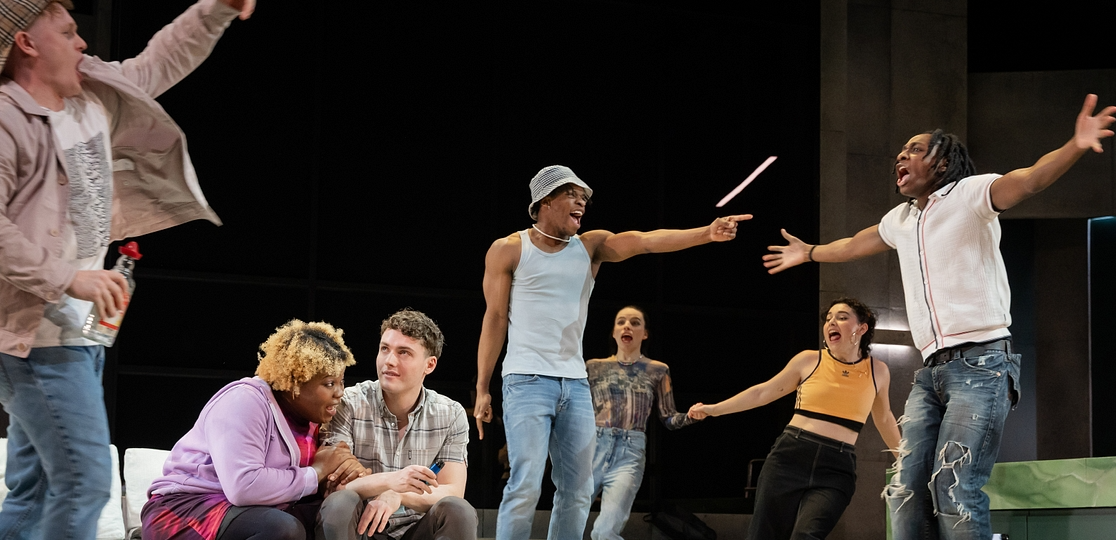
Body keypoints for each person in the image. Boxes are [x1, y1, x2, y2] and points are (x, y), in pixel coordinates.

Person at [761, 95, 1116, 540]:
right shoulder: (901, 219)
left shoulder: (970, 194)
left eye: (914, 149)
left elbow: (1028, 180)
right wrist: (810, 252)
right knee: (904, 492)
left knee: (954, 487)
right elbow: (853, 244)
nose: (901, 155)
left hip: (983, 364)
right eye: (901, 151)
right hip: (931, 371)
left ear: (943, 162)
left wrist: (1075, 145)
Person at [0, 1, 254, 538]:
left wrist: (216, 9)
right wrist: (69, 278)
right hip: (33, 338)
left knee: (36, 487)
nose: (82, 43)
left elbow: (159, 61)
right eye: (67, 32)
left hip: (79, 334)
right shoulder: (6, 120)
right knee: (84, 481)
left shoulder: (91, 96)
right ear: (27, 43)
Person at [473, 165, 752, 540]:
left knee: (578, 490)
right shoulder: (509, 249)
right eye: (572, 195)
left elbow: (645, 241)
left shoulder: (589, 247)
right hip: (526, 380)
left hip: (575, 385)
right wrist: (482, 388)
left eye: (584, 198)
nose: (581, 203)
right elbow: (494, 318)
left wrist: (706, 233)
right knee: (525, 482)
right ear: (545, 200)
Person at [688, 298, 900, 540]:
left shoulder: (878, 370)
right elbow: (762, 393)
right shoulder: (809, 360)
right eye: (828, 318)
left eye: (841, 317)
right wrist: (713, 409)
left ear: (862, 328)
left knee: (807, 535)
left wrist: (906, 462)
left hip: (836, 467)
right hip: (790, 457)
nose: (831, 322)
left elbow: (884, 418)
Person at [142, 320, 372, 540]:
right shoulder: (244, 401)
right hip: (186, 511)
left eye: (341, 382)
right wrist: (317, 472)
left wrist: (339, 476)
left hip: (260, 511)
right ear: (295, 382)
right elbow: (244, 486)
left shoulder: (312, 417)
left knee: (342, 510)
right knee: (282, 528)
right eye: (329, 383)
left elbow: (314, 478)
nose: (339, 392)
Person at [317, 309, 476, 540]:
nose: (389, 361)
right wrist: (391, 481)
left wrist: (398, 495)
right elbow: (335, 487)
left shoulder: (450, 414)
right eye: (385, 349)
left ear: (429, 365)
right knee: (340, 502)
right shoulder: (348, 403)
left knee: (458, 510)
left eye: (404, 353)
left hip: (417, 529)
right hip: (361, 527)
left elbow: (453, 490)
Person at [585, 306, 700, 540]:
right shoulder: (594, 367)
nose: (627, 326)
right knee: (567, 521)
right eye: (621, 322)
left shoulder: (657, 370)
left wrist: (690, 416)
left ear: (645, 333)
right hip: (591, 448)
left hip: (629, 452)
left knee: (605, 532)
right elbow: (576, 411)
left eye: (635, 322)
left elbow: (668, 417)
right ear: (614, 332)